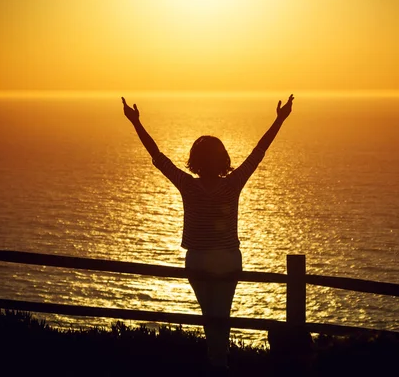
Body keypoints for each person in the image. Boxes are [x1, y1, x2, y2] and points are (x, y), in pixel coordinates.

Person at [121, 94, 294, 373]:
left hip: (198, 258)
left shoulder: (188, 185)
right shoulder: (233, 183)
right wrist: (279, 120)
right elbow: (258, 153)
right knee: (221, 315)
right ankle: (220, 364)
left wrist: (136, 123)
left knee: (209, 316)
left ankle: (217, 364)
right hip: (227, 258)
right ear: (222, 159)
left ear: (195, 161)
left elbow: (157, 156)